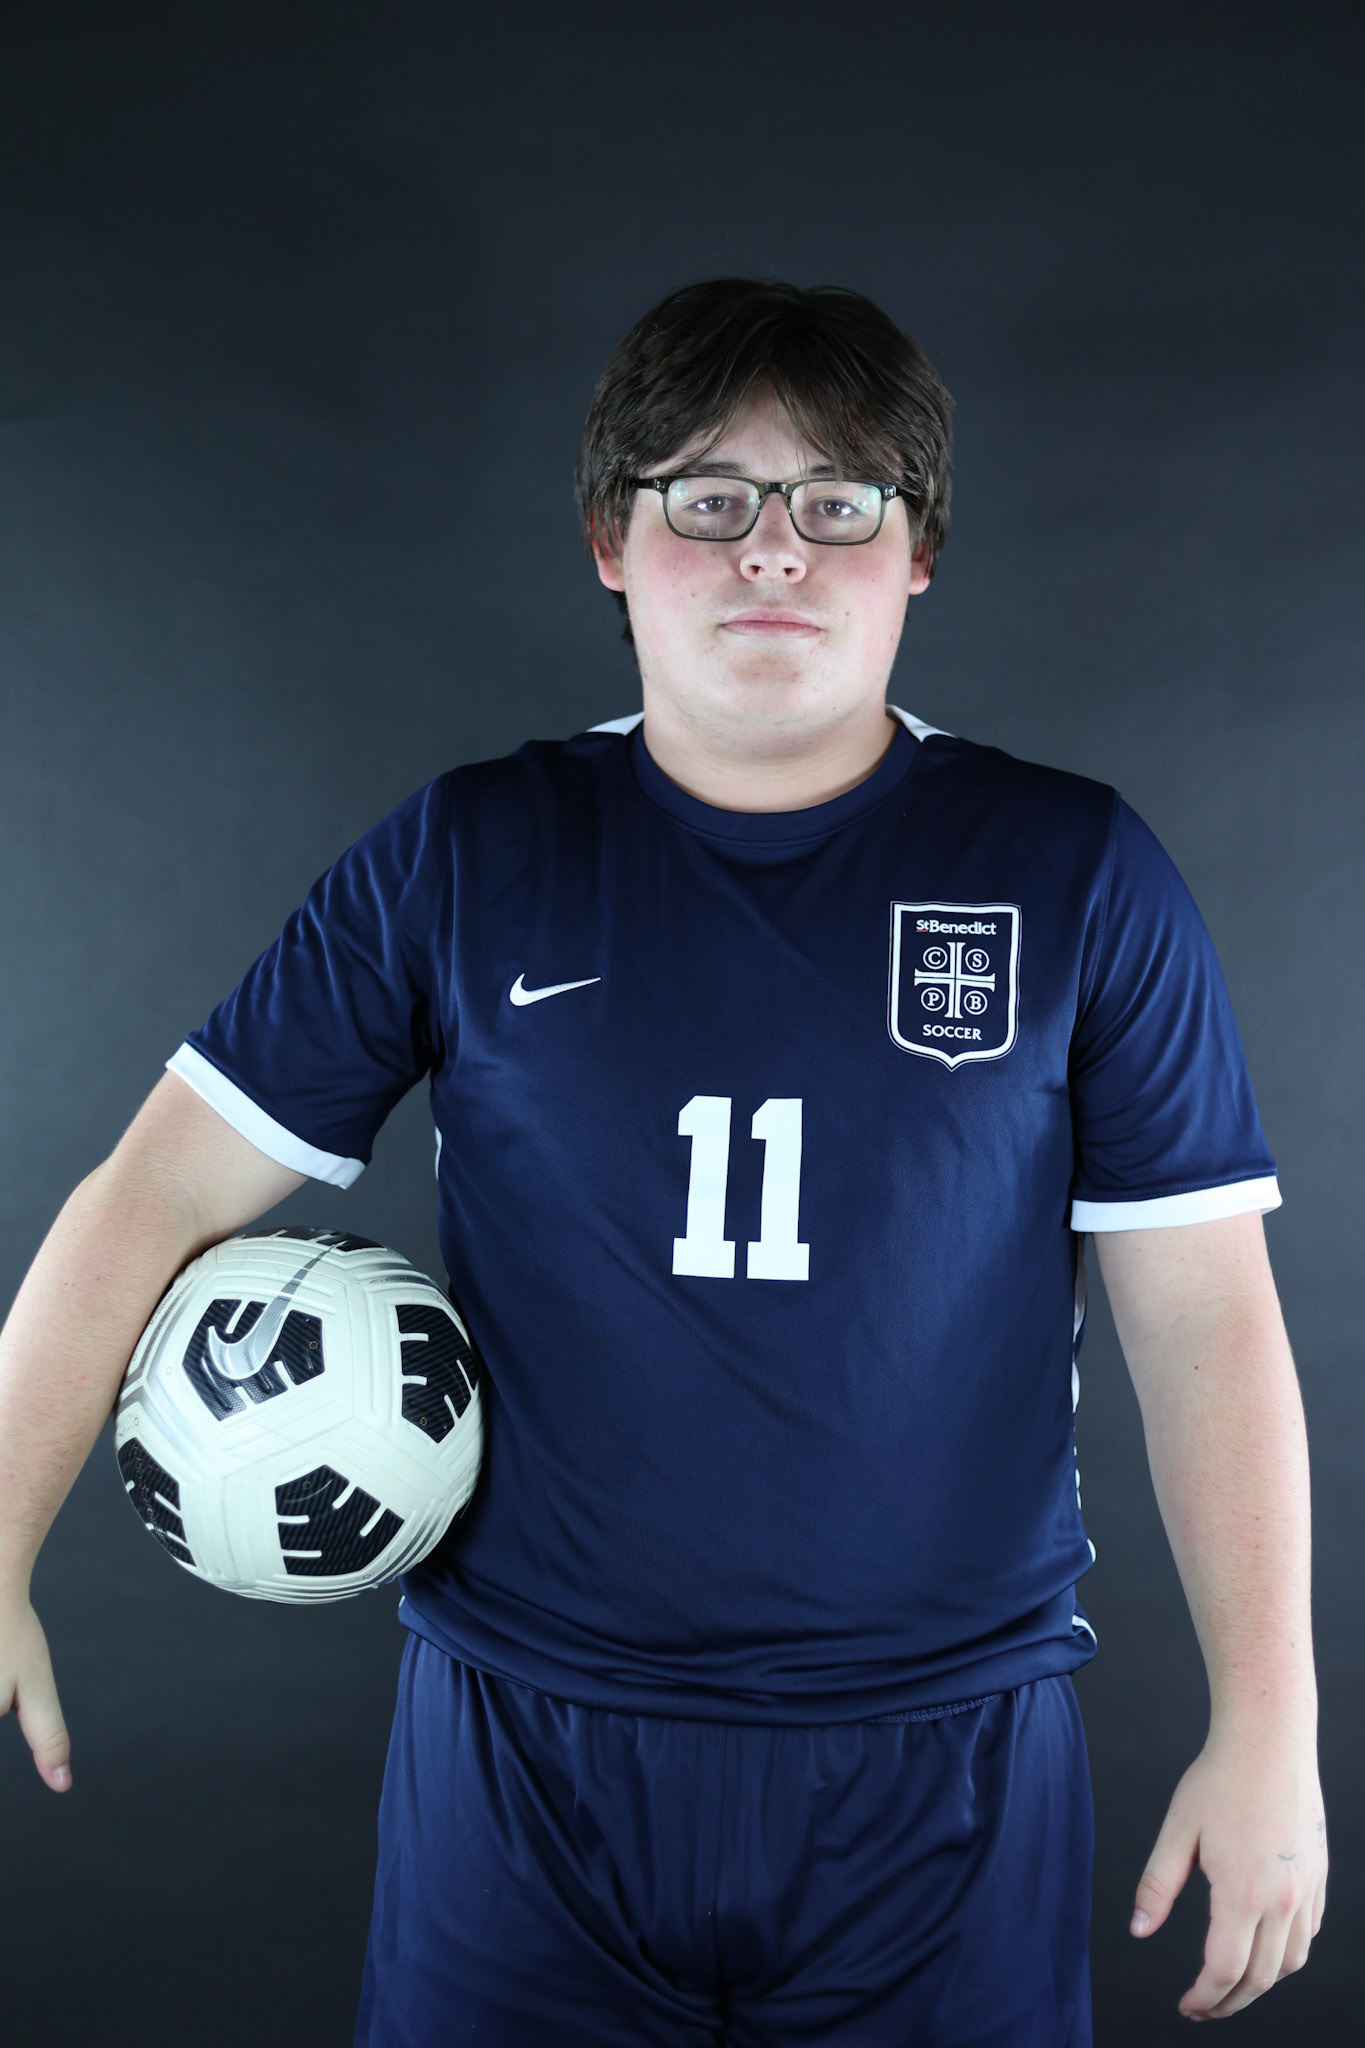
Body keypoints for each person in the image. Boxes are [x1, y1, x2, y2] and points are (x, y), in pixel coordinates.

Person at [0, 278, 1326, 2045]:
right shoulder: (470, 853)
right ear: (610, 543)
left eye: (837, 502)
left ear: (916, 551)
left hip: (944, 1761)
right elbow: (150, 1194)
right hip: (524, 1747)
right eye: (706, 499)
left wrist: (1270, 1731)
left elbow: (1205, 1326)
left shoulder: (1074, 870)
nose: (770, 552)